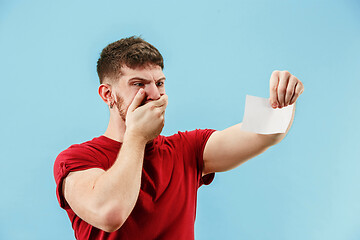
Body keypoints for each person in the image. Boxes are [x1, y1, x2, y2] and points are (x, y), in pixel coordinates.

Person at [53, 36, 304, 240]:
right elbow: (111, 213)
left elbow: (266, 134)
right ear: (108, 94)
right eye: (139, 84)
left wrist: (283, 100)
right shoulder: (76, 160)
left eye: (160, 83)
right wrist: (137, 136)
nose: (154, 94)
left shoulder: (186, 149)